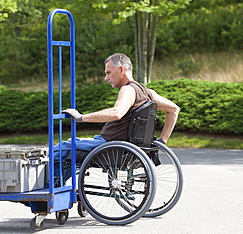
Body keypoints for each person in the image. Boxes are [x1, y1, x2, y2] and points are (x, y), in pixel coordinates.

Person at [54, 53, 179, 185]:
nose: (105, 78)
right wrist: (162, 141)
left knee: (62, 147)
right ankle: (57, 185)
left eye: (108, 73)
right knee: (69, 148)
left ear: (121, 69)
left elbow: (117, 113)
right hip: (125, 147)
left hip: (109, 145)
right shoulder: (148, 93)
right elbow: (174, 109)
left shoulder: (128, 90)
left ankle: (49, 190)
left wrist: (81, 117)